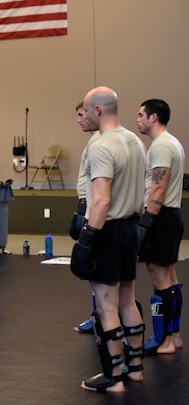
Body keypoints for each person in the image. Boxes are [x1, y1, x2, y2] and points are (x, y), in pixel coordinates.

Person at [74, 86, 145, 392]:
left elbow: (101, 201)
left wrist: (87, 238)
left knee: (106, 304)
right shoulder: (135, 141)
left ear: (99, 110)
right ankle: (135, 368)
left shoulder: (101, 146)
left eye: (86, 111)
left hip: (107, 229)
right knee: (127, 299)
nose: (83, 117)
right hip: (130, 229)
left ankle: (113, 378)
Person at [136, 99, 185, 354]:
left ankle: (165, 341)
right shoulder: (173, 142)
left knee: (159, 279)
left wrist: (146, 223)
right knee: (171, 278)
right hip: (171, 215)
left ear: (154, 117)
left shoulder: (161, 146)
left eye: (141, 115)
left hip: (160, 216)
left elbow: (158, 186)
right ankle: (174, 337)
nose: (138, 119)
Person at [71, 101, 101, 333]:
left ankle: (103, 317)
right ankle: (100, 315)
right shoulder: (95, 140)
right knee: (96, 274)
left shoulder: (100, 142)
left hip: (98, 215)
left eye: (82, 115)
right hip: (88, 207)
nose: (79, 119)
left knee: (99, 273)